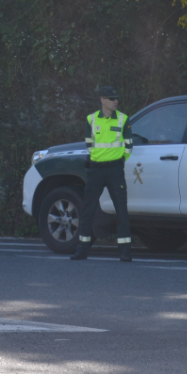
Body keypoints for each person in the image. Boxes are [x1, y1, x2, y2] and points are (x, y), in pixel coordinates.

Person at [71, 85, 133, 262]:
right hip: (96, 169)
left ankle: (125, 251)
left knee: (121, 209)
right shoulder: (91, 119)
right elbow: (89, 145)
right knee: (88, 210)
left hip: (115, 169)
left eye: (117, 99)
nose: (116, 101)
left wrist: (118, 162)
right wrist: (99, 158)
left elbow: (129, 146)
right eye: (112, 99)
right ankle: (82, 248)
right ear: (103, 100)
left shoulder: (123, 119)